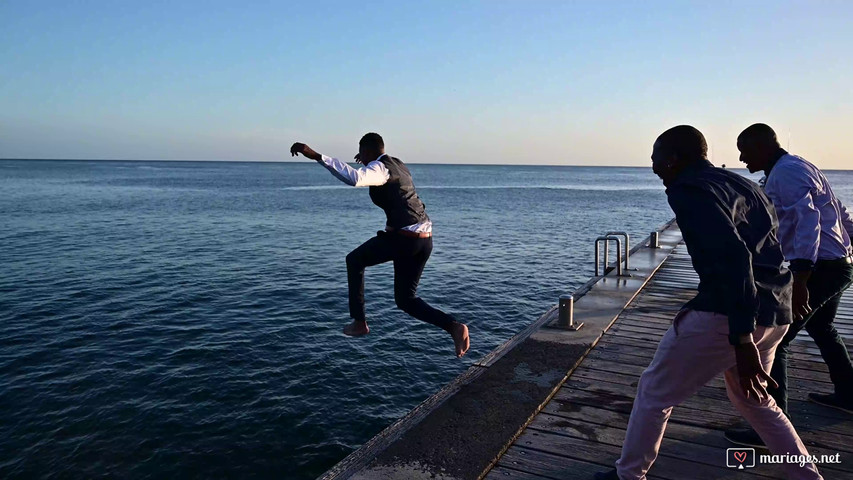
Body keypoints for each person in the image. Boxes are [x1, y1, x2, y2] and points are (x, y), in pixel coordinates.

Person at [595, 125, 822, 480]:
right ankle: (807, 475)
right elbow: (770, 247)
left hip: (728, 314)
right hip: (777, 311)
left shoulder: (690, 190)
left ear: (672, 160)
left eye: (655, 159)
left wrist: (742, 336)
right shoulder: (743, 184)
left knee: (654, 391)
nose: (654, 168)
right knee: (755, 401)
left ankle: (628, 475)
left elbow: (734, 259)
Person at [725, 123, 853, 448]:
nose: (740, 157)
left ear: (764, 146)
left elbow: (808, 222)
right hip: (836, 263)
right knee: (823, 327)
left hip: (820, 268)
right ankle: (848, 393)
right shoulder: (796, 167)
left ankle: (771, 425)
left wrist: (801, 278)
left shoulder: (786, 173)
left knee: (776, 340)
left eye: (745, 149)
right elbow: (837, 210)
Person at [289, 133, 470, 358]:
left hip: (405, 240)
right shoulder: (399, 165)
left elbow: (355, 177)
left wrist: (315, 155)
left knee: (354, 260)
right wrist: (369, 159)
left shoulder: (380, 169)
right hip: (424, 240)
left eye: (362, 153)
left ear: (367, 151)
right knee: (406, 300)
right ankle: (454, 326)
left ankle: (359, 322)